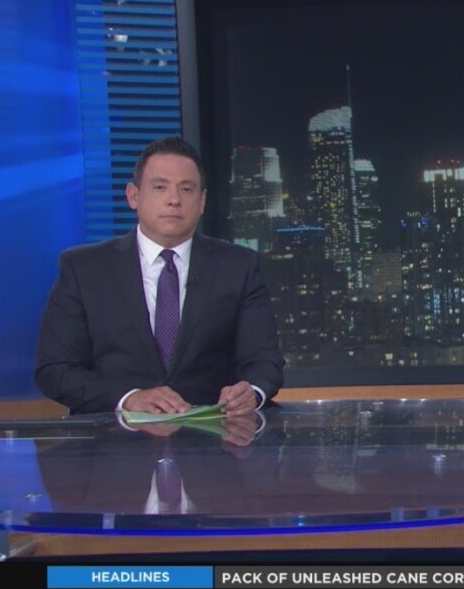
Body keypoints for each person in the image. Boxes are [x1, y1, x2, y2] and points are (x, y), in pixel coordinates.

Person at [35, 136, 285, 416]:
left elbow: (264, 360)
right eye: (160, 187)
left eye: (186, 189)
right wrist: (128, 399)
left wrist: (252, 392)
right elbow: (55, 369)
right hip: (112, 435)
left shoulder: (238, 266)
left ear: (202, 201)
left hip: (212, 434)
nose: (174, 200)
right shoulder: (84, 268)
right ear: (133, 196)